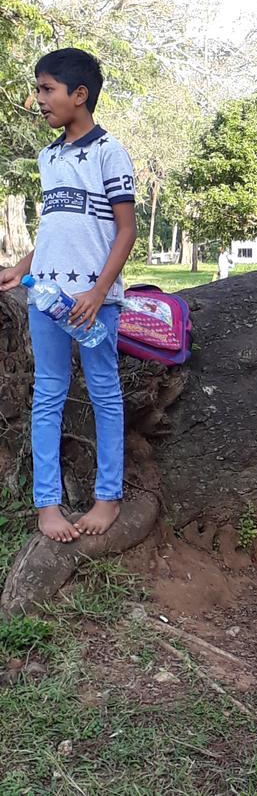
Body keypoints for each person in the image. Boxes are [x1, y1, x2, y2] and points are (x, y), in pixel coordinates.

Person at [0, 48, 137, 543]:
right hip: (48, 301)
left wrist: (99, 293)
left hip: (96, 304)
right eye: (38, 88)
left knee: (105, 393)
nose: (39, 99)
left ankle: (108, 497)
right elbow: (55, 228)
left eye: (47, 89)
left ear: (79, 95)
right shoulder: (49, 156)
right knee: (49, 394)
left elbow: (126, 231)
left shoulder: (109, 153)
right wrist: (20, 268)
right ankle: (48, 504)